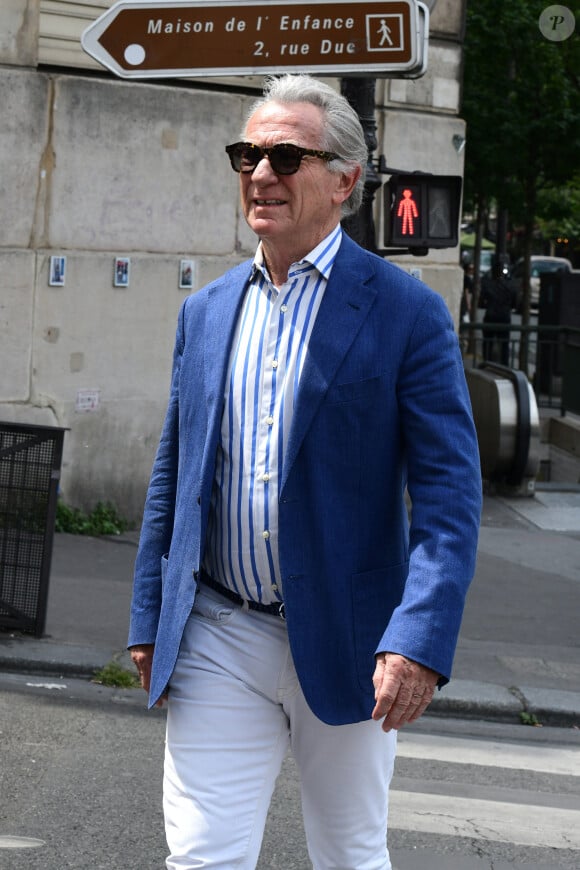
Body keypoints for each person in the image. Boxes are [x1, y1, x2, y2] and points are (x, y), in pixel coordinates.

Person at [128, 74, 482, 870]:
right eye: (247, 154)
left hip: (356, 642)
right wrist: (151, 612)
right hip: (220, 626)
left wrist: (417, 639)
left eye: (285, 156)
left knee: (350, 854)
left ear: (345, 181)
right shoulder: (208, 310)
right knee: (201, 858)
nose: (261, 173)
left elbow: (450, 498)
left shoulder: (404, 311)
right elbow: (175, 473)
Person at [481, 260, 516, 365]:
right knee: (504, 344)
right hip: (504, 316)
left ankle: (487, 363)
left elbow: (483, 299)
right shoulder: (510, 285)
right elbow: (514, 301)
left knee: (488, 343)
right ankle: (504, 365)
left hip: (491, 315)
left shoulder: (488, 284)